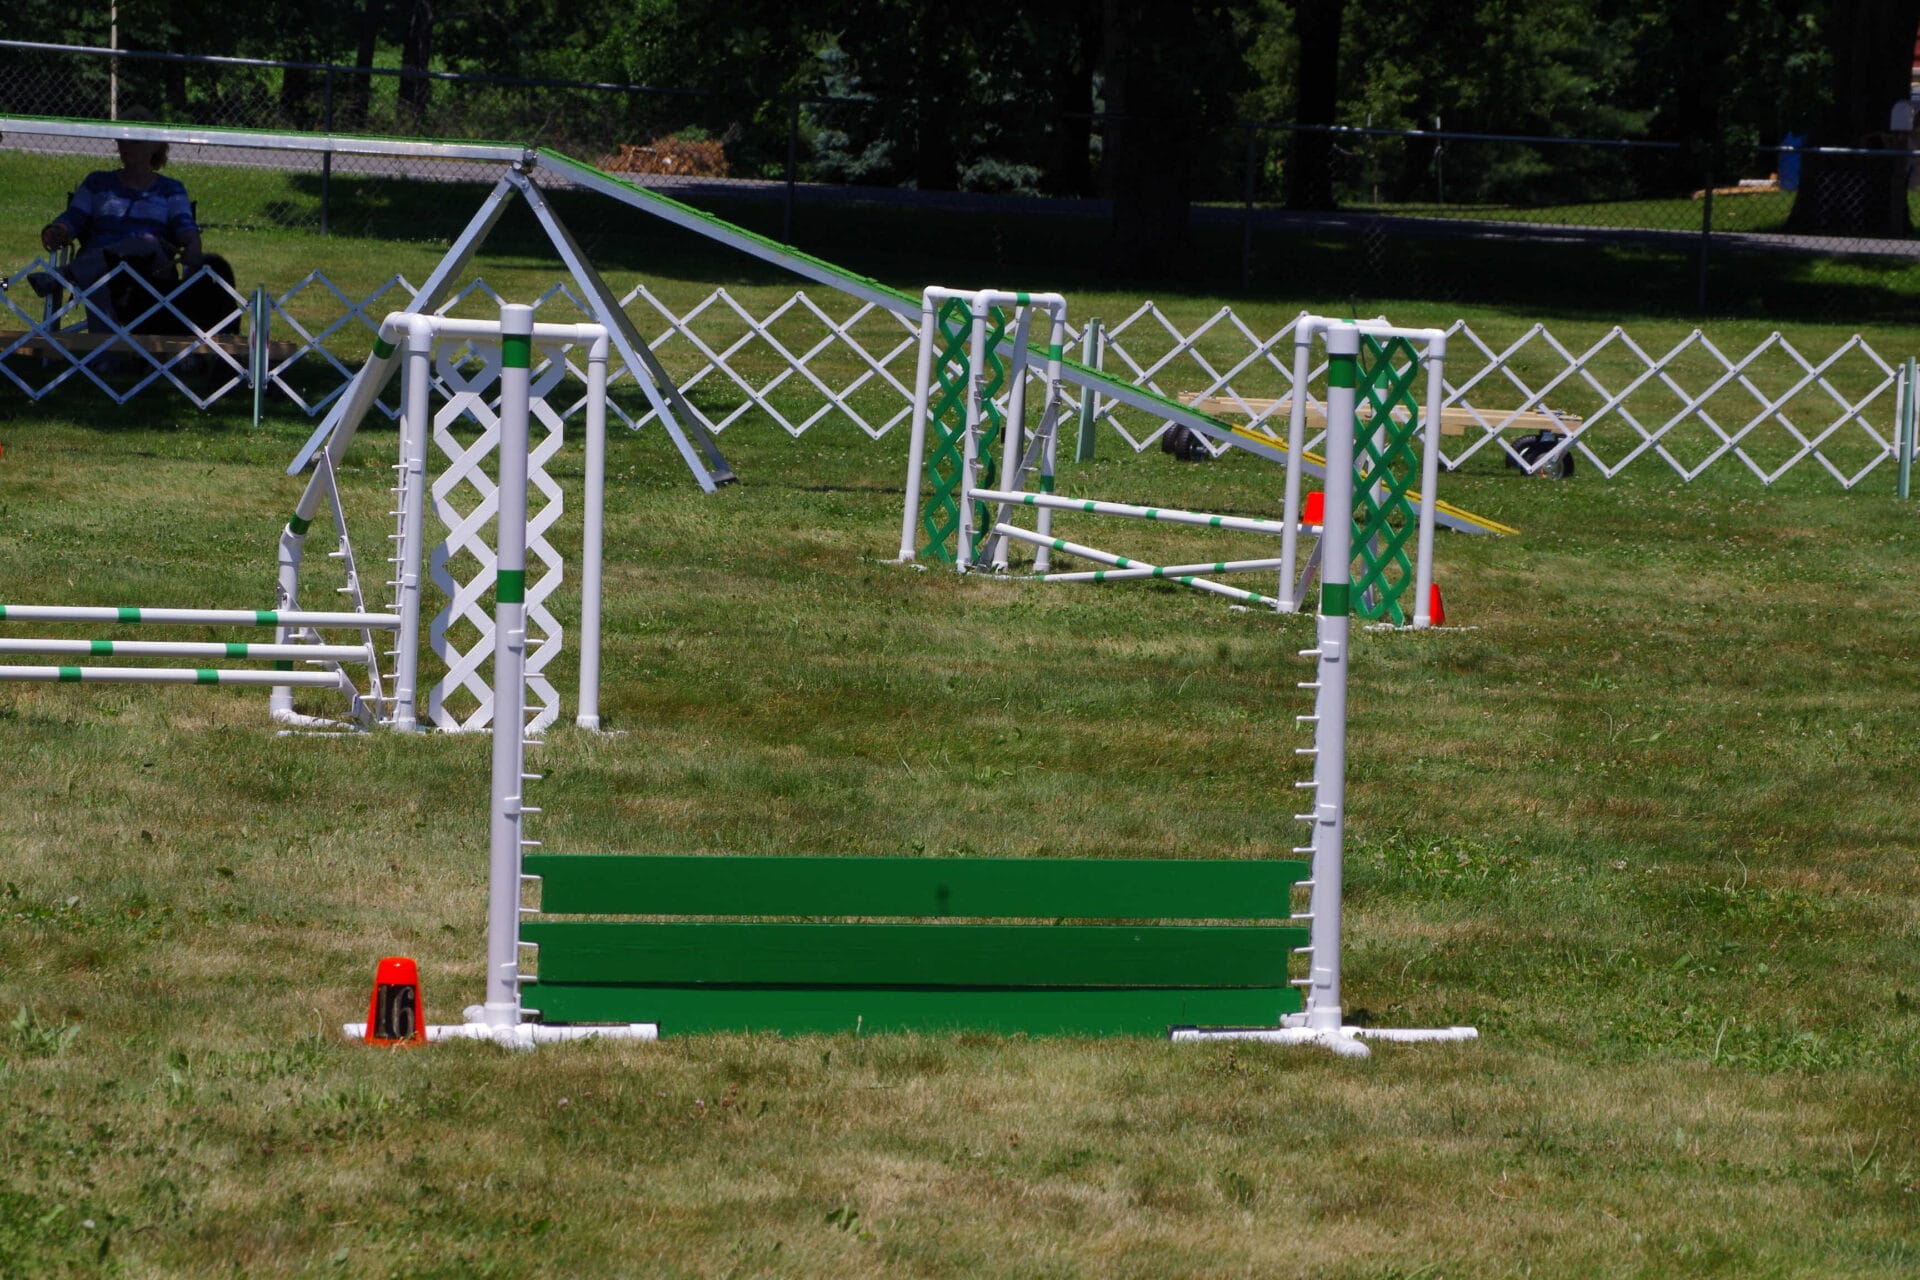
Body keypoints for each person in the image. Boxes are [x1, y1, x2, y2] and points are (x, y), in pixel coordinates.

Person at [33, 138, 204, 334]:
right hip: (102, 269)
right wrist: (58, 230)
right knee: (99, 280)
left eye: (135, 141)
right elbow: (74, 218)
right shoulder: (97, 182)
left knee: (145, 241)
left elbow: (185, 227)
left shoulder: (171, 189)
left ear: (155, 146)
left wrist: (193, 243)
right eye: (122, 141)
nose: (126, 146)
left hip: (151, 269)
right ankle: (106, 361)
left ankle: (67, 274)